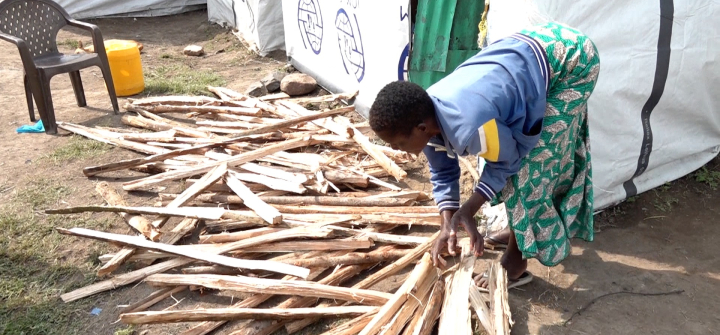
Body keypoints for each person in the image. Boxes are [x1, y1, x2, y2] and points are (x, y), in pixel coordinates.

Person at [369, 22, 600, 288]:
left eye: (398, 143)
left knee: (530, 168)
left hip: (573, 61)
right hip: (529, 52)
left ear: (420, 128)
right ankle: (519, 230)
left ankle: (515, 260)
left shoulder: (470, 127)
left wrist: (469, 208)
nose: (396, 150)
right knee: (514, 155)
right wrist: (448, 223)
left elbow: (509, 161)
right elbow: (443, 171)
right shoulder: (426, 115)